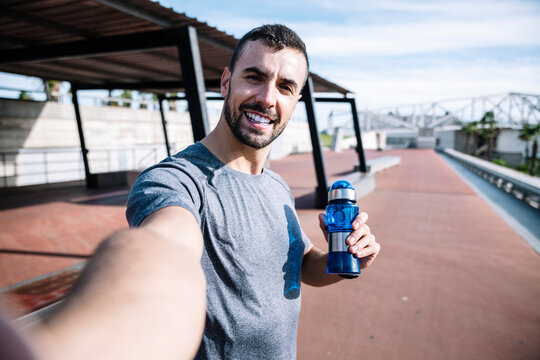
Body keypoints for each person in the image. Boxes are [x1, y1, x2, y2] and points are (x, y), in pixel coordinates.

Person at [26, 24, 380, 360]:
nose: (267, 98)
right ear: (226, 82)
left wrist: (343, 259)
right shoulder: (175, 181)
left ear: (296, 101)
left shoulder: (276, 186)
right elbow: (164, 249)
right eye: (254, 77)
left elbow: (302, 265)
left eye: (285, 87)